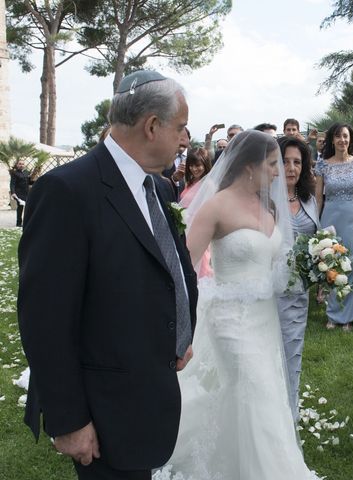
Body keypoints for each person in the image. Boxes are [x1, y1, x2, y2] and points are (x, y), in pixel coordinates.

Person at [17, 70, 198, 479]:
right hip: (104, 411)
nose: (186, 139)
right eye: (181, 127)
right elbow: (44, 318)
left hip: (150, 392)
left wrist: (183, 332)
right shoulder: (67, 191)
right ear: (152, 126)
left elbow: (174, 268)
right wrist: (68, 420)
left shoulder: (162, 189)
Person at [153, 130, 320, 479]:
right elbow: (187, 266)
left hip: (264, 318)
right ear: (248, 167)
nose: (279, 172)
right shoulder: (217, 204)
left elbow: (278, 261)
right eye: (272, 164)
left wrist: (315, 267)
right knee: (253, 387)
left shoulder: (269, 206)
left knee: (264, 391)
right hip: (229, 318)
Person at [314, 122, 353, 331]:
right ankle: (333, 314)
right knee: (331, 264)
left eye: (346, 136)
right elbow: (318, 199)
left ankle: (348, 315)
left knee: (349, 265)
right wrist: (317, 225)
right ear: (332, 139)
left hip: (352, 217)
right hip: (330, 218)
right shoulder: (323, 165)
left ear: (351, 140)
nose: (343, 140)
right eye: (339, 136)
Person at [276, 135, 320, 419]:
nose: (291, 168)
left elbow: (316, 240)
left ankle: (289, 414)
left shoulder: (309, 199)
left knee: (293, 353)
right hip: (269, 292)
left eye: (297, 162)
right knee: (270, 357)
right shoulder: (262, 200)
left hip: (299, 293)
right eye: (285, 161)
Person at [180, 148, 213, 279]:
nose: (194, 169)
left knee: (201, 266)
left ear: (205, 165)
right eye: (191, 166)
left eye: (198, 165)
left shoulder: (208, 185)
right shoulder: (189, 182)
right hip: (185, 229)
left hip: (199, 230)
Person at [9, 159, 37, 227]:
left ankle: (27, 222)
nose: (21, 165)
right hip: (18, 193)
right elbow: (12, 184)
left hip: (26, 193)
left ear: (24, 165)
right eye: (20, 164)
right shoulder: (14, 173)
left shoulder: (27, 172)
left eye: (22, 164)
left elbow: (29, 182)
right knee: (20, 207)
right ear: (17, 165)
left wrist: (34, 180)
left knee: (28, 207)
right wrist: (13, 192)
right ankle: (18, 223)